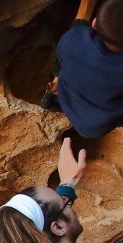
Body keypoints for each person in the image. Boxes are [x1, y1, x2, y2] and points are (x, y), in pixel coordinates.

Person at [42, 0, 123, 139]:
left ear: (94, 24)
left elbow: (80, 23)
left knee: (70, 57)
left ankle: (57, 86)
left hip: (72, 102)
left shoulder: (73, 39)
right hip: (97, 125)